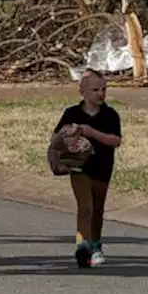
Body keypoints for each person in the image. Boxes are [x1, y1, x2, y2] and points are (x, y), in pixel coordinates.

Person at [54, 70, 123, 268]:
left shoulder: (110, 115)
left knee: (98, 209)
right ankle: (82, 245)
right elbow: (56, 137)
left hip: (102, 167)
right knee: (86, 206)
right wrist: (70, 138)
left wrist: (91, 132)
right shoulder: (72, 113)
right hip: (79, 167)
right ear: (82, 91)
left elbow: (115, 140)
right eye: (95, 89)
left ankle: (96, 244)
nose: (100, 93)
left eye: (104, 89)